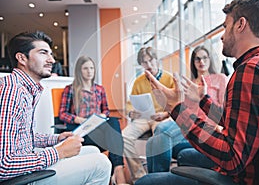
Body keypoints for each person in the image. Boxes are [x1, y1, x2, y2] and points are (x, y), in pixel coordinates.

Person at [136, 0, 259, 185]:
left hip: (244, 178)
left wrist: (176, 108)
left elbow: (232, 158)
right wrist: (203, 100)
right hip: (258, 166)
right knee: (184, 155)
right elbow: (240, 122)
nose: (222, 36)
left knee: (146, 182)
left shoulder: (251, 71)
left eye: (225, 26)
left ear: (240, 25)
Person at [0, 31, 111, 184]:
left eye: (51, 54)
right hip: (21, 178)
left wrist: (57, 138)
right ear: (21, 58)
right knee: (101, 164)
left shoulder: (25, 89)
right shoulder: (13, 91)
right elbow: (4, 164)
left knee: (93, 150)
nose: (51, 60)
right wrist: (60, 151)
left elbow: (25, 138)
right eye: (43, 53)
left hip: (26, 167)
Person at [145, 46, 228, 173]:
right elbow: (183, 106)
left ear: (210, 59)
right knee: (151, 141)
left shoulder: (220, 78)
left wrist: (218, 125)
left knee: (162, 130)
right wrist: (165, 115)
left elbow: (224, 108)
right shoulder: (190, 82)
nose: (201, 62)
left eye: (204, 58)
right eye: (197, 59)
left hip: (206, 125)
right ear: (193, 62)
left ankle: (159, 176)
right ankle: (156, 178)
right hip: (188, 121)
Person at [59, 55, 128, 185]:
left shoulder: (99, 89)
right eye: (85, 68)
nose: (89, 71)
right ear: (80, 71)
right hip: (82, 132)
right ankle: (119, 175)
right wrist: (78, 119)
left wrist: (102, 116)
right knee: (114, 134)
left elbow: (106, 110)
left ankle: (118, 170)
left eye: (91, 68)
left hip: (98, 128)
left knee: (112, 121)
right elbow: (62, 114)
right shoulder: (70, 89)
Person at [122, 46, 175, 183]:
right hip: (144, 118)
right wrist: (131, 112)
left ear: (157, 60)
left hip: (162, 117)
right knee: (124, 136)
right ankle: (139, 176)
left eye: (151, 60)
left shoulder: (169, 79)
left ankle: (158, 176)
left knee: (159, 134)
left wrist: (164, 114)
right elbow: (129, 103)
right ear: (141, 64)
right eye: (145, 62)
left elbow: (176, 103)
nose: (149, 65)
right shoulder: (138, 81)